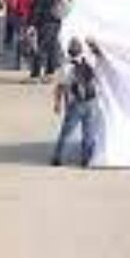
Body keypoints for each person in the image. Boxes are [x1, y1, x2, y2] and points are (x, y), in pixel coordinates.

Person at [50, 37, 103, 168]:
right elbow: (99, 55)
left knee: (66, 132)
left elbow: (60, 87)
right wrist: (92, 43)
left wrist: (57, 104)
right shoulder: (89, 61)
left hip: (76, 103)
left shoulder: (66, 67)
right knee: (89, 133)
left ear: (69, 52)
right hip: (91, 101)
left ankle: (58, 157)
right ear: (81, 51)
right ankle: (86, 159)